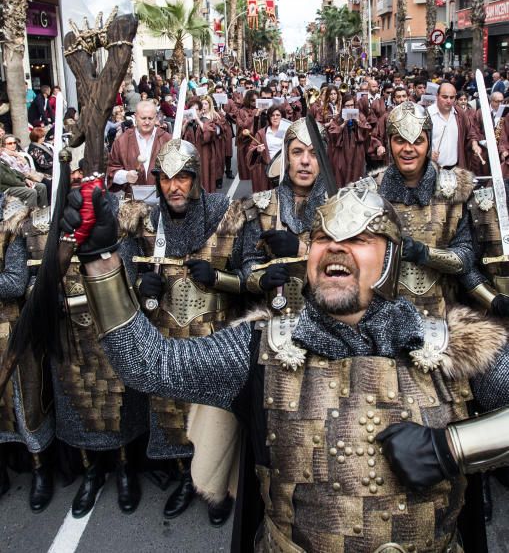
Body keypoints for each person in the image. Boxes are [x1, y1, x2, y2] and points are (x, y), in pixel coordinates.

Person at [66, 184, 509, 553]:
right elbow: (151, 364)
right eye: (322, 238)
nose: (336, 248)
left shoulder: (455, 346)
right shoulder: (261, 347)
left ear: (390, 257)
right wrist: (101, 261)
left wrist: (454, 447)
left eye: (357, 239)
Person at [112, 139, 264, 524]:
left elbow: (252, 276)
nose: (174, 187)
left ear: (197, 179)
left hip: (215, 337)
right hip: (165, 337)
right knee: (172, 417)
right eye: (165, 179)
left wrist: (220, 278)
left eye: (182, 177)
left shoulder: (228, 214)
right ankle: (186, 479)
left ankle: (220, 491)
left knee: (217, 419)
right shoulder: (144, 221)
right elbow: (124, 279)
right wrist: (137, 288)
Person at [370, 101, 476, 317]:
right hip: (380, 314)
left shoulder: (453, 190)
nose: (408, 149)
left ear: (428, 143)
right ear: (389, 143)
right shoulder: (369, 193)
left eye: (417, 141)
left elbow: (465, 258)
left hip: (440, 312)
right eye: (400, 140)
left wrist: (424, 254)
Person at [0, 194, 54, 511]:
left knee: (26, 407)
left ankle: (40, 470)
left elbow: (16, 281)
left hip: (12, 331)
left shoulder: (12, 222)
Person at [246, 118, 327, 316]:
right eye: (298, 152)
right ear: (287, 158)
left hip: (326, 320)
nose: (305, 161)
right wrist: (261, 279)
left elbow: (353, 267)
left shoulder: (340, 207)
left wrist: (301, 249)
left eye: (314, 153)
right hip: (272, 321)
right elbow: (247, 264)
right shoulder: (261, 206)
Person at [106, 100, 171, 192]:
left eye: (150, 118)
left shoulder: (166, 139)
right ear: (136, 117)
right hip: (133, 201)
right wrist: (125, 176)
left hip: (161, 198)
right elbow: (111, 169)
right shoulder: (122, 141)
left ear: (156, 117)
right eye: (143, 118)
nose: (147, 122)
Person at [328, 92, 371, 187]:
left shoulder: (360, 115)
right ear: (343, 106)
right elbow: (332, 132)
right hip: (342, 151)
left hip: (356, 150)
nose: (350, 108)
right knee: (341, 171)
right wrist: (343, 124)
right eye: (347, 106)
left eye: (352, 105)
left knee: (356, 172)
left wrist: (358, 123)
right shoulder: (338, 117)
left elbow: (367, 129)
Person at [428, 83, 473, 169]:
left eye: (452, 97)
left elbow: (470, 133)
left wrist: (474, 143)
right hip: (432, 168)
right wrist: (428, 154)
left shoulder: (460, 114)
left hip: (455, 168)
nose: (448, 101)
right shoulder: (427, 114)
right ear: (437, 96)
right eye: (444, 97)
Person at [246, 105, 283, 193]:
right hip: (266, 169)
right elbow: (252, 148)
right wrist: (257, 150)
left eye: (278, 115)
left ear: (282, 117)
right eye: (272, 115)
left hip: (283, 169)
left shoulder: (287, 131)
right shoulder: (262, 133)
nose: (275, 117)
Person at [236, 90, 260, 181]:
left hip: (258, 141)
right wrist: (254, 115)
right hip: (246, 142)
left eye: (256, 100)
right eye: (252, 100)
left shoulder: (262, 110)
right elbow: (242, 126)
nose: (254, 102)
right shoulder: (241, 111)